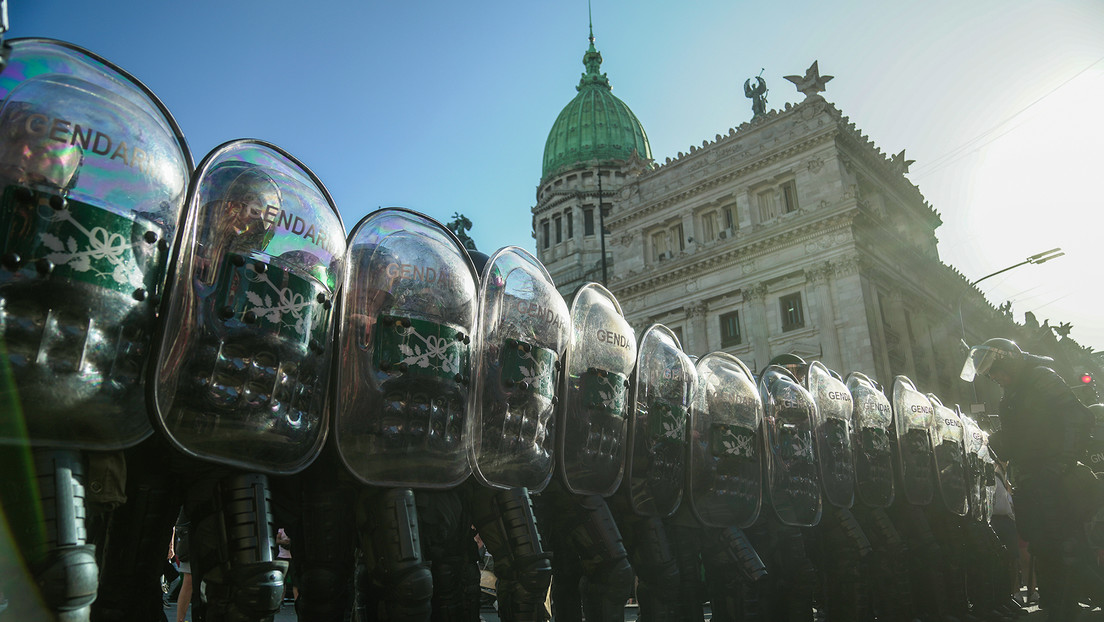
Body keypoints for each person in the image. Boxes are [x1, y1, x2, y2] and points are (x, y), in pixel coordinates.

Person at [961, 337, 1094, 622]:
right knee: (1040, 541)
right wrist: (996, 440)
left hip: (1054, 474)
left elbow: (1078, 417)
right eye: (989, 375)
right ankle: (1055, 602)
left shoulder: (1040, 378)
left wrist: (1062, 462)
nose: (995, 378)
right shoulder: (1011, 394)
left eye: (995, 370)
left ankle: (1071, 602)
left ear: (1009, 360)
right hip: (1031, 478)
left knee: (1064, 540)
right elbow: (1018, 440)